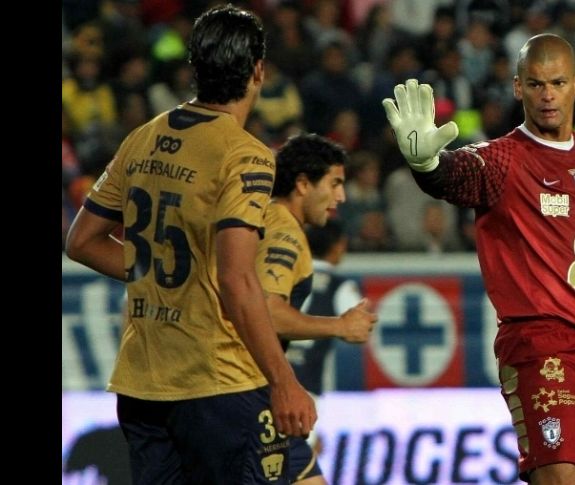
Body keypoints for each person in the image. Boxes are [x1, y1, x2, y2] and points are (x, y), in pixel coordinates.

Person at [382, 33, 575, 484]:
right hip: (539, 345)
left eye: (557, 83)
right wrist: (428, 165)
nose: (547, 95)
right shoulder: (503, 159)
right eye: (536, 84)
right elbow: (455, 176)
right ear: (518, 87)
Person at [65, 5, 316, 484]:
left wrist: (151, 269)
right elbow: (237, 280)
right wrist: (284, 381)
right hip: (216, 383)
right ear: (258, 70)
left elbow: (81, 241)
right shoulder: (246, 156)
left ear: (195, 69)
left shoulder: (143, 137)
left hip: (141, 383)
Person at [257, 133, 377, 484]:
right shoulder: (285, 234)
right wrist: (339, 326)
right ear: (303, 184)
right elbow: (267, 312)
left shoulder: (264, 221)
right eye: (335, 183)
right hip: (250, 399)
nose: (341, 196)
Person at [289, 218, 363, 452]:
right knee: (299, 464)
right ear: (339, 245)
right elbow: (358, 332)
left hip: (266, 377)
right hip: (307, 386)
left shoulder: (284, 274)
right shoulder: (339, 286)